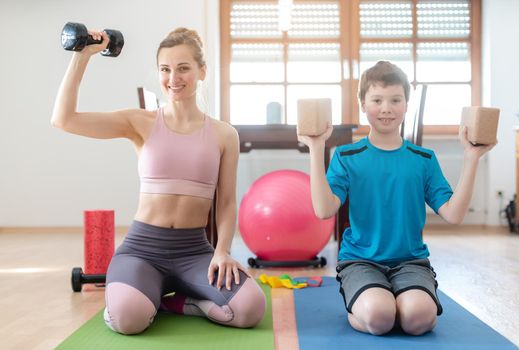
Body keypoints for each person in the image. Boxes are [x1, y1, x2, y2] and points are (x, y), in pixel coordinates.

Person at [51, 27, 266, 335]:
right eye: (165, 69)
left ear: (201, 71)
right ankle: (141, 298)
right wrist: (82, 55)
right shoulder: (140, 121)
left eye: (183, 68)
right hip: (142, 251)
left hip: (195, 252)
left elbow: (228, 201)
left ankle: (177, 302)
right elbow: (64, 119)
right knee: (128, 320)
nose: (173, 79)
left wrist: (222, 251)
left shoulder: (224, 134)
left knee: (250, 309)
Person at [298, 61, 496, 336]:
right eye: (377, 100)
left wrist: (472, 157)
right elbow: (323, 209)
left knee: (418, 320)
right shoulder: (346, 156)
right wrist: (316, 148)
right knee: (380, 318)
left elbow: (454, 214)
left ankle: (397, 303)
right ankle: (362, 308)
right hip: (360, 261)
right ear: (363, 104)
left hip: (410, 262)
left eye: (395, 100)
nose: (387, 108)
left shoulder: (424, 159)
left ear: (406, 104)